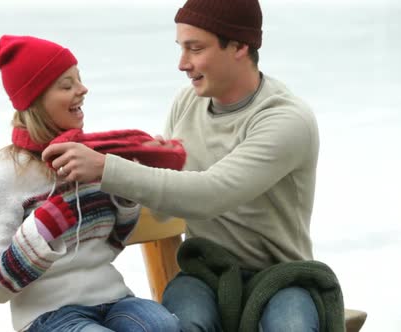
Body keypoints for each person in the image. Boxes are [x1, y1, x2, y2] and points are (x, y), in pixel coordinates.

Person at [42, 0, 321, 330]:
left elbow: (211, 194)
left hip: (281, 278)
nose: (182, 64)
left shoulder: (286, 120)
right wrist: (154, 161)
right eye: (181, 48)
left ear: (240, 46)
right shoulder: (187, 102)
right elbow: (164, 212)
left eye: (195, 48)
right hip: (205, 273)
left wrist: (107, 168)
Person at [0, 35, 182, 332]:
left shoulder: (88, 155)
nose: (83, 90)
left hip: (112, 298)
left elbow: (113, 242)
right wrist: (40, 230)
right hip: (47, 314)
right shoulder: (3, 176)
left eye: (79, 81)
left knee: (164, 327)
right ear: (36, 100)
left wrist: (127, 188)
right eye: (67, 85)